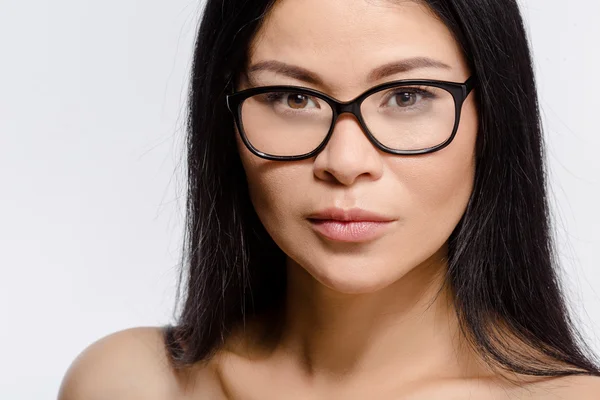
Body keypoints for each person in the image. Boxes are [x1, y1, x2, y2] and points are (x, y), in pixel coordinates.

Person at [58, 0, 600, 398]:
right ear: (225, 120)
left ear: (495, 120)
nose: (343, 161)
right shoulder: (124, 382)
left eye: (407, 95)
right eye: (292, 97)